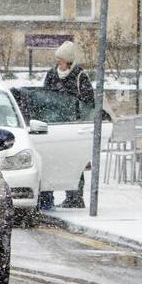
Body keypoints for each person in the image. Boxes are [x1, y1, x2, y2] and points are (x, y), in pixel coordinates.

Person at [42, 40, 96, 207]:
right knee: (49, 160)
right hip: (53, 124)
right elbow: (44, 96)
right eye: (57, 58)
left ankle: (74, 197)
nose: (58, 61)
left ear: (68, 60)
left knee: (73, 162)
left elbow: (88, 101)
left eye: (61, 59)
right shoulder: (52, 74)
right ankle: (46, 196)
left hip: (72, 126)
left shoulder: (80, 76)